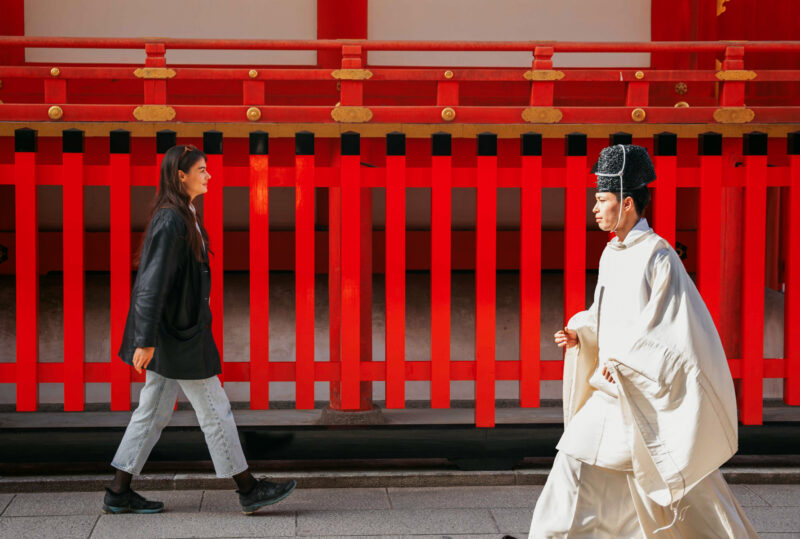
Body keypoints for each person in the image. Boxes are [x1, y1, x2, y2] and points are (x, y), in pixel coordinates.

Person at [528, 144, 757, 538]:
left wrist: (630, 364)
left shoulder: (659, 255)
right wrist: (582, 332)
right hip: (611, 388)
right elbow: (608, 315)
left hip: (636, 389)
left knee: (677, 486)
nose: (595, 209)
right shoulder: (612, 253)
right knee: (575, 464)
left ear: (627, 202)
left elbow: (669, 326)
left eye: (602, 200)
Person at [103, 144, 296, 516]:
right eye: (202, 170)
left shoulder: (183, 213)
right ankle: (248, 488)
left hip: (178, 334)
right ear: (181, 176)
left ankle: (118, 491)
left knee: (152, 413)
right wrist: (144, 340)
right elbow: (150, 284)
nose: (209, 176)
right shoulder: (170, 219)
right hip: (177, 338)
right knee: (214, 409)